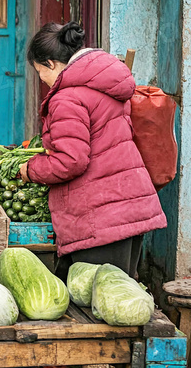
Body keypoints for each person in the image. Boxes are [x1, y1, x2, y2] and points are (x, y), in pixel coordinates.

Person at [18, 22, 167, 280]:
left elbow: (70, 161)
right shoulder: (104, 85)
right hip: (126, 207)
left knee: (100, 302)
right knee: (118, 297)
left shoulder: (67, 98)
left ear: (51, 63)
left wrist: (31, 170)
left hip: (99, 217)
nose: (41, 79)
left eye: (39, 71)